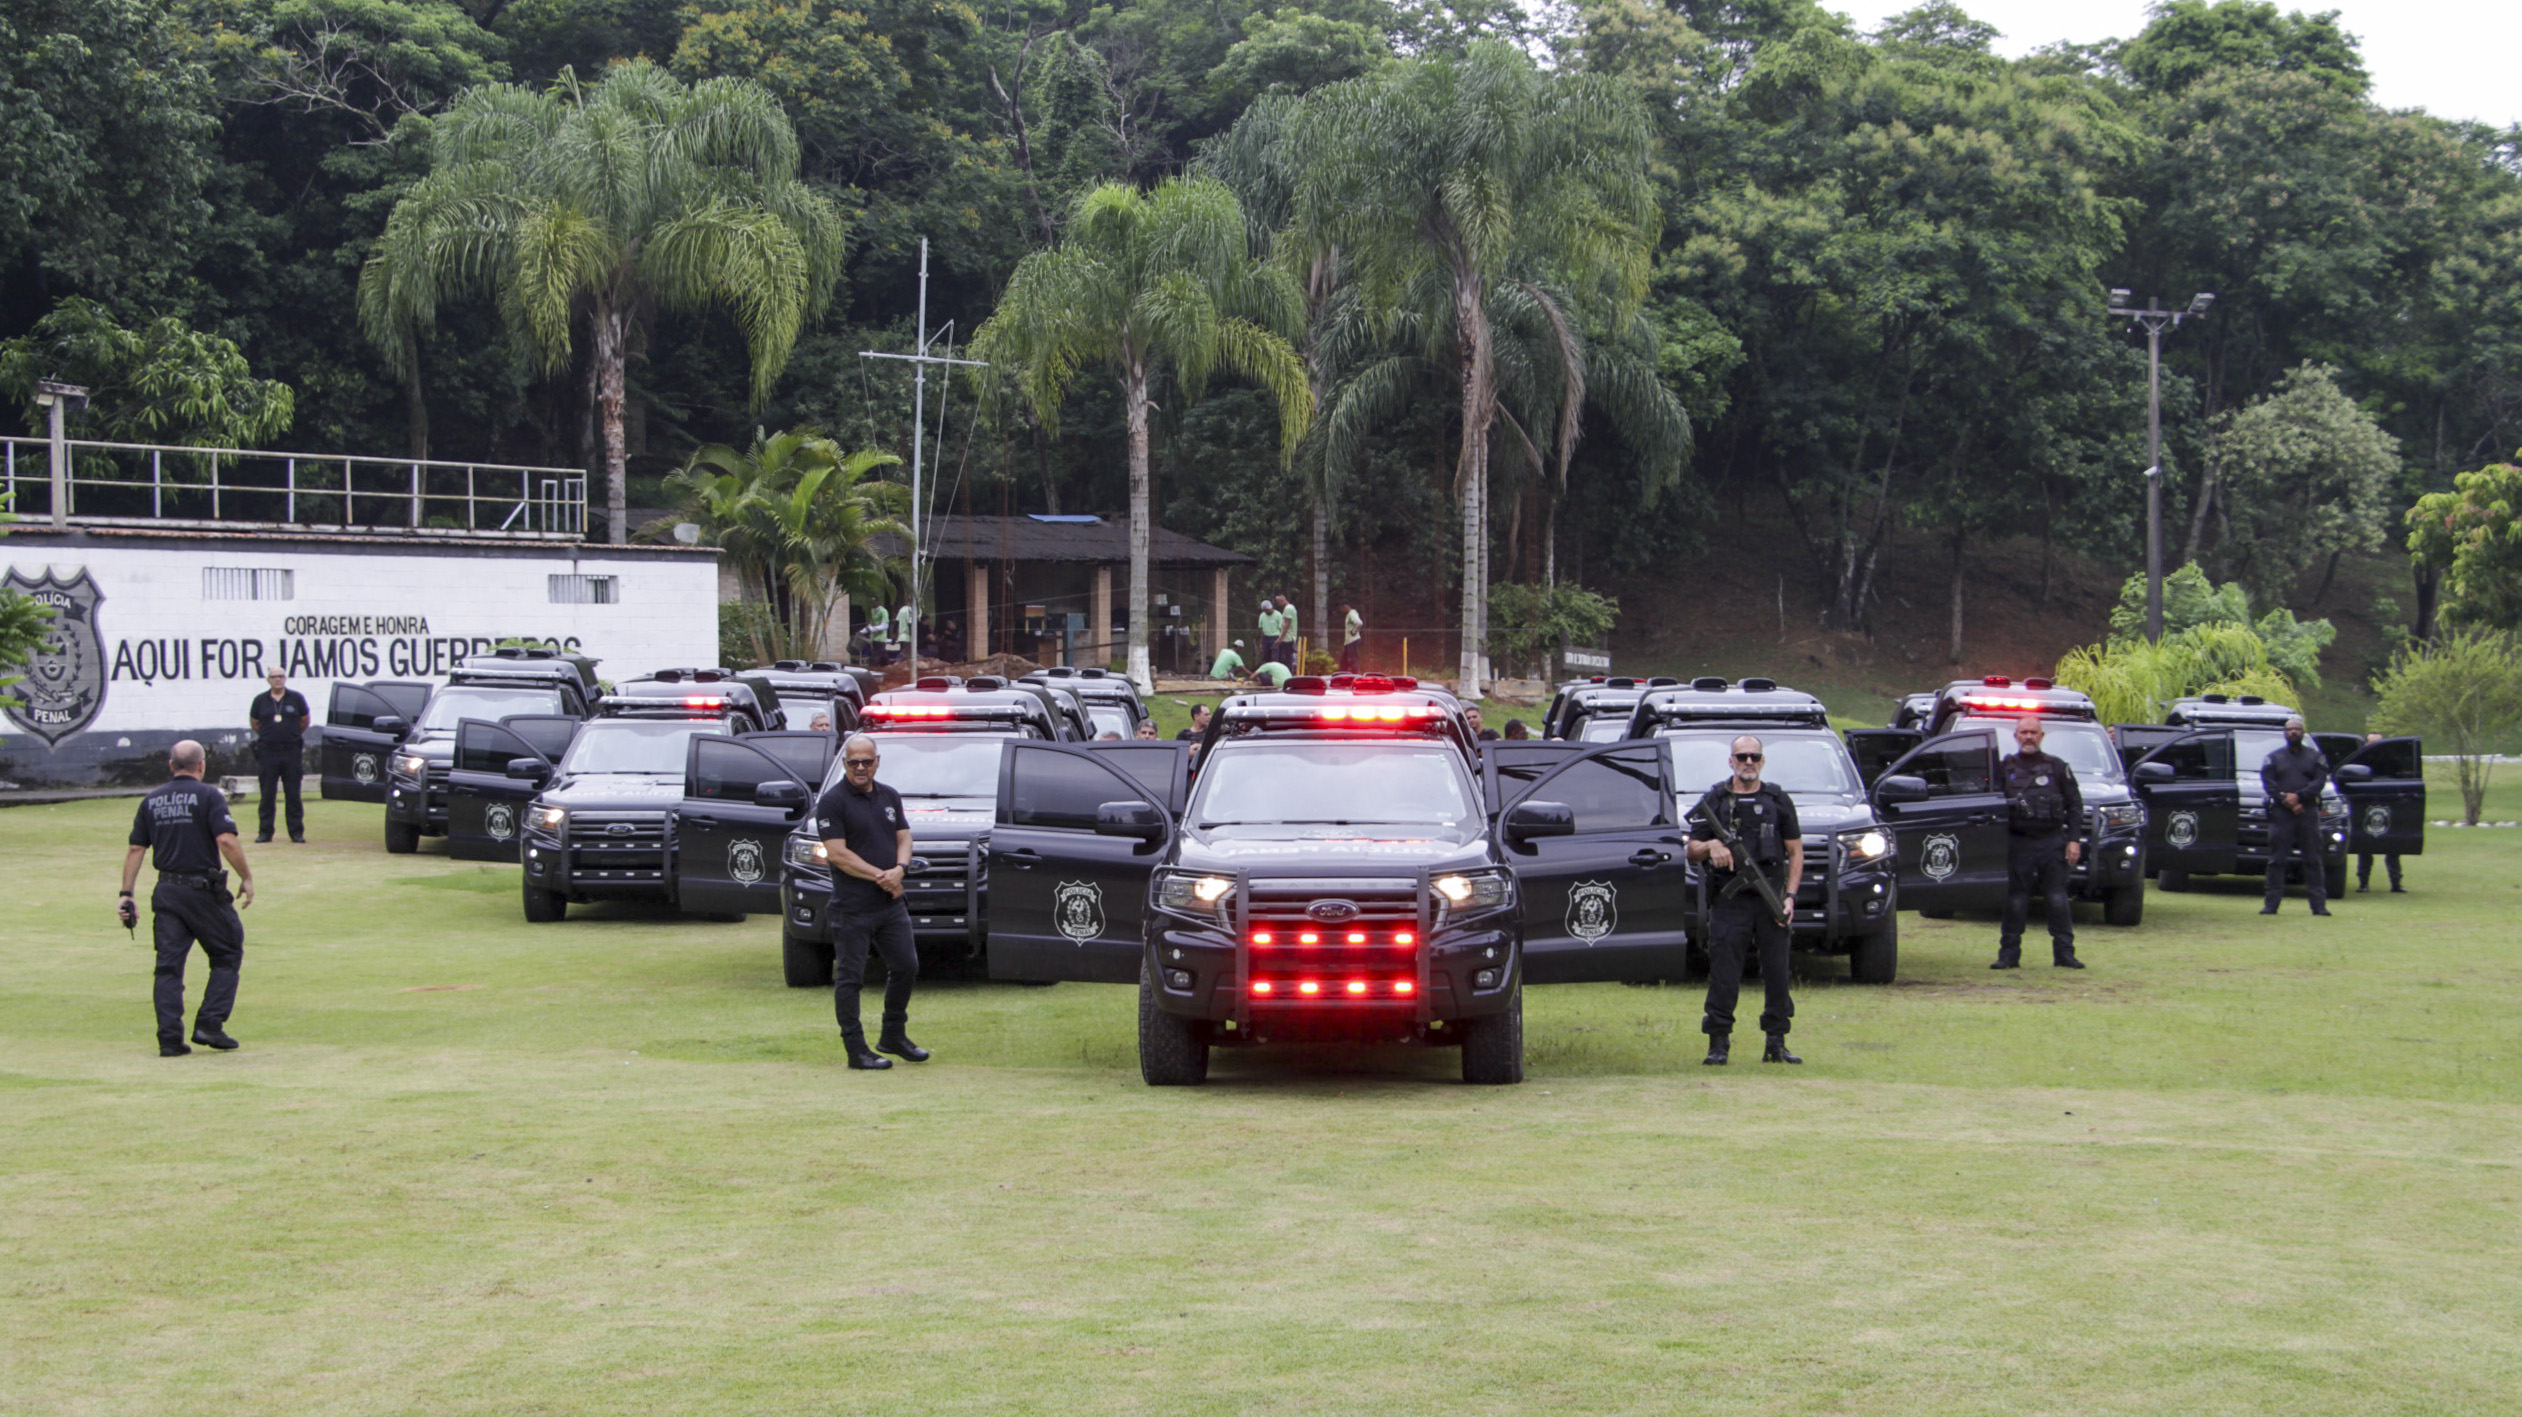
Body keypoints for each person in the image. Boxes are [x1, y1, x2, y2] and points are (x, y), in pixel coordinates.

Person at [119, 740, 255, 1056]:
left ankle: (169, 1040)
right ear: (202, 765)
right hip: (202, 891)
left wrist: (126, 894)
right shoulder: (209, 796)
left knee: (168, 967)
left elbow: (136, 849)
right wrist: (246, 877)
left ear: (171, 765)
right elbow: (226, 840)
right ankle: (209, 1023)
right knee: (227, 953)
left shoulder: (151, 800)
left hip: (167, 891)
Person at [1685, 735, 1802, 1066]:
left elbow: (1795, 852)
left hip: (1770, 897)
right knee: (1724, 971)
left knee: (1777, 972)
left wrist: (1790, 897)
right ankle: (1718, 1043)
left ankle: (1776, 1042)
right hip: (1729, 900)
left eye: (1754, 756)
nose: (1748, 762)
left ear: (1762, 761)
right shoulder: (1716, 800)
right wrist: (1711, 846)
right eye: (1742, 757)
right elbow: (1691, 849)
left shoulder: (1778, 799)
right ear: (1731, 761)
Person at [814, 733, 925, 1070]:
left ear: (877, 761)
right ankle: (855, 1049)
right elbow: (838, 854)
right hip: (852, 906)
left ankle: (893, 1035)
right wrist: (882, 876)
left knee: (906, 966)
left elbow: (904, 837)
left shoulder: (889, 795)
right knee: (851, 978)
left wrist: (900, 869)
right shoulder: (832, 802)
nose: (860, 768)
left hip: (889, 904)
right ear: (845, 763)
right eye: (853, 762)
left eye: (866, 761)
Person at [1993, 716, 2086, 969]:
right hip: (2018, 842)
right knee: (2015, 900)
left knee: (2057, 899)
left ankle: (2065, 954)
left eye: (2033, 732)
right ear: (2016, 736)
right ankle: (2008, 955)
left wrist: (2073, 840)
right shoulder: (2004, 768)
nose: (2028, 737)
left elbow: (2075, 806)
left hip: (2051, 841)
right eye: (2024, 732)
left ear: (2041, 736)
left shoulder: (2057, 767)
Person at [2260, 714, 2333, 916]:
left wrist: (2299, 797)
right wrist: (2288, 802)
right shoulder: (2274, 758)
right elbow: (2269, 783)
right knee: (2277, 860)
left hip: (2307, 813)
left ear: (2303, 733)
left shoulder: (2316, 757)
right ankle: (2271, 905)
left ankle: (2319, 906)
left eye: (2297, 729)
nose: (2293, 732)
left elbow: (2319, 782)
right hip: (2281, 814)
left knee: (2313, 859)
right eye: (2290, 729)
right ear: (2284, 733)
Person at [246, 670, 311, 843]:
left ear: (285, 678)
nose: (278, 680)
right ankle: (265, 832)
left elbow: (304, 721)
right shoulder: (260, 700)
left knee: (293, 794)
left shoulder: (296, 698)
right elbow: (255, 723)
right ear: (268, 680)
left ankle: (296, 832)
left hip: (291, 751)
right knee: (267, 794)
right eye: (274, 677)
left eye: (281, 676)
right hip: (268, 752)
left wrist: (291, 734)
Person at [2355, 730, 2405, 893]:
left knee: (2393, 847)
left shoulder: (2392, 761)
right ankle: (2363, 883)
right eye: (2372, 742)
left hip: (2388, 804)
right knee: (2365, 846)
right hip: (2366, 805)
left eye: (2379, 742)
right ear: (2366, 744)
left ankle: (2396, 883)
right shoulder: (2359, 761)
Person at [1257, 600, 1284, 669]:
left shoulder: (1278, 615)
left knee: (1274, 657)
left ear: (1270, 608)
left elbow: (1282, 629)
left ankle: (1274, 671)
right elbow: (1262, 630)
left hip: (1275, 638)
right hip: (1265, 638)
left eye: (1267, 610)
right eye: (1264, 610)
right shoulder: (1262, 616)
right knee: (1265, 657)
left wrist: (1280, 639)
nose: (1266, 612)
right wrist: (1261, 643)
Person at [1338, 602, 1363, 673]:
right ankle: (1342, 675)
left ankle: (1356, 675)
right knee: (1343, 661)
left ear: (1345, 606)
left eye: (1341, 607)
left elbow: (1359, 623)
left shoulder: (1352, 613)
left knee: (1353, 660)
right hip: (1348, 642)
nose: (1341, 609)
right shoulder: (1349, 614)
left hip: (1353, 640)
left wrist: (1353, 632)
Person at [1276, 595, 1300, 669]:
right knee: (1288, 657)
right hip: (1290, 637)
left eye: (1279, 603)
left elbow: (1287, 625)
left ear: (1282, 600)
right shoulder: (1291, 607)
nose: (1279, 605)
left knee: (1286, 658)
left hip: (1287, 638)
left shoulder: (1288, 609)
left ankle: (1287, 672)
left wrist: (1280, 638)